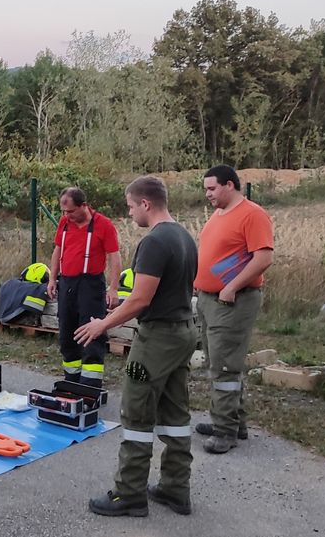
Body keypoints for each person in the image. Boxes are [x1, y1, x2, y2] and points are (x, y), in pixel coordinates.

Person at [76, 175, 197, 518]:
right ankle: (176, 488)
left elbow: (142, 299)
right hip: (183, 331)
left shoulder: (155, 242)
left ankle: (129, 494)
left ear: (146, 203)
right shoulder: (185, 236)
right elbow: (169, 290)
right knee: (175, 413)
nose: (129, 214)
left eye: (130, 206)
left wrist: (103, 323)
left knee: (137, 411)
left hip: (156, 340)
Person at [194, 164, 274, 454]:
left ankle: (225, 431)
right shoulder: (219, 214)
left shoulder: (252, 214)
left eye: (212, 188)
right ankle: (232, 421)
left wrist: (231, 287)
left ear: (230, 185)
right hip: (209, 299)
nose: (208, 194)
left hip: (232, 301)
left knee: (225, 366)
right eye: (206, 189)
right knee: (219, 361)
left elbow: (263, 257)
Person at [46, 186, 122, 388]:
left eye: (70, 211)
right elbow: (58, 250)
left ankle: (89, 386)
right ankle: (71, 381)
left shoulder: (103, 225)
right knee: (66, 334)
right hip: (67, 283)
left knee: (90, 335)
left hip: (90, 285)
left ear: (83, 206)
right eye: (63, 212)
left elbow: (115, 257)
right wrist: (53, 279)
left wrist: (113, 288)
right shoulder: (64, 223)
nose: (66, 215)